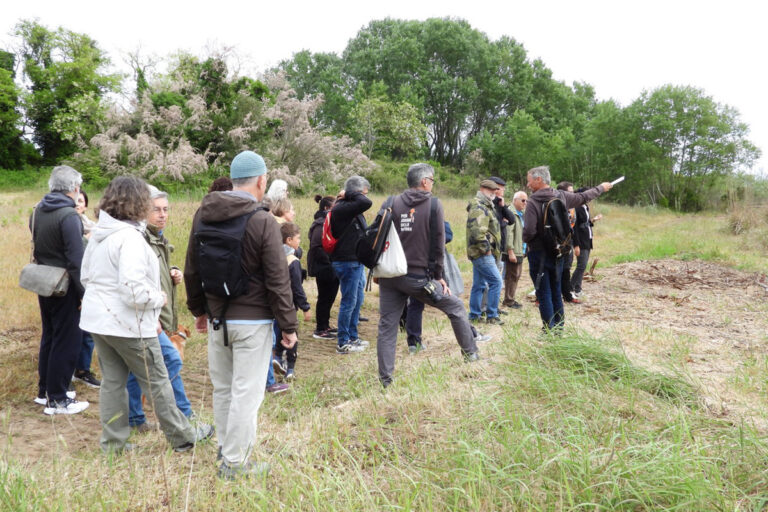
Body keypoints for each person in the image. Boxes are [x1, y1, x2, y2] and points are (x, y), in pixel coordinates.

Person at [184, 150, 298, 480]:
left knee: (223, 389)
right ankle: (235, 463)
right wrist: (288, 326)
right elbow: (278, 279)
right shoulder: (261, 220)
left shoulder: (202, 214)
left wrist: (199, 310)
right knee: (247, 394)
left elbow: (192, 269)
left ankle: (226, 448)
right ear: (261, 181)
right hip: (253, 322)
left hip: (218, 318)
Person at [80, 176, 213, 453]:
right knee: (158, 380)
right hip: (129, 325)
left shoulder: (101, 234)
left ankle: (113, 444)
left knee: (113, 384)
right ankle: (184, 437)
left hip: (99, 322)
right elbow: (133, 290)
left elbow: (86, 277)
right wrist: (158, 298)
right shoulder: (129, 238)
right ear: (138, 203)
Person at [376, 163, 480, 387]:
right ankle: (471, 354)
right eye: (432, 180)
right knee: (455, 308)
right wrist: (438, 276)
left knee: (387, 326)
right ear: (424, 181)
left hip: (389, 276)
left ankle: (385, 380)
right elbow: (438, 243)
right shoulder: (433, 204)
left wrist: (375, 269)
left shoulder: (390, 202)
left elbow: (376, 234)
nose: (432, 184)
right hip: (418, 278)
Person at [126, 185, 195, 433]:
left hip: (157, 315)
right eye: (156, 210)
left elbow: (155, 273)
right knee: (169, 361)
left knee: (140, 369)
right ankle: (181, 415)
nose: (163, 214)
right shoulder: (139, 239)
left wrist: (173, 271)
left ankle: (135, 418)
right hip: (146, 315)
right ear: (142, 210)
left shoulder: (159, 238)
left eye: (166, 209)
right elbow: (135, 279)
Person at [523, 166, 613, 332]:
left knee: (543, 293)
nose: (528, 185)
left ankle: (549, 330)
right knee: (556, 290)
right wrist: (601, 187)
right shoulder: (561, 196)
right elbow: (583, 197)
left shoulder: (533, 202)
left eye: (529, 180)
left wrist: (526, 243)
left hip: (539, 254)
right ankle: (559, 327)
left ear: (538, 179)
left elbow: (529, 231)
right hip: (559, 252)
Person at [30, 165, 89, 415]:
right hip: (65, 286)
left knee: (50, 336)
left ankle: (45, 391)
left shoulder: (38, 211)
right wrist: (84, 292)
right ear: (75, 189)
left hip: (44, 282)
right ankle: (58, 398)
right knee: (67, 340)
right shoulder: (69, 216)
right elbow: (77, 259)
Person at [328, 176, 372, 354]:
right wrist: (350, 193)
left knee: (357, 299)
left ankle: (352, 336)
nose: (364, 196)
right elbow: (365, 201)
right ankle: (343, 341)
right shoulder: (342, 208)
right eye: (363, 192)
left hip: (355, 260)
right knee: (349, 301)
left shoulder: (349, 207)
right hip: (347, 261)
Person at [272, 222, 312, 381]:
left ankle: (276, 358)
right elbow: (297, 288)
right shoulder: (292, 261)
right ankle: (290, 369)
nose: (299, 241)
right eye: (298, 238)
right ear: (289, 240)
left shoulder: (272, 256)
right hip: (288, 306)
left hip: (272, 305)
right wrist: (305, 307)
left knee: (277, 333)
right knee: (291, 334)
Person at [72, 188, 101, 388]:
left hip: (90, 284)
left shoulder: (94, 228)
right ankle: (71, 369)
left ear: (86, 205)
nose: (78, 204)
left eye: (81, 201)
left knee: (88, 330)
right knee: (73, 329)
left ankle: (82, 369)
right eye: (75, 200)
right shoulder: (69, 225)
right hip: (74, 284)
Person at [466, 179, 504, 325]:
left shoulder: (485, 205)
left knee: (479, 284)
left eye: (495, 191)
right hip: (482, 253)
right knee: (496, 282)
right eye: (491, 191)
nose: (494, 193)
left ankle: (474, 315)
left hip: (480, 252)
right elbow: (477, 232)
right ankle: (492, 315)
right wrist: (487, 250)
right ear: (483, 189)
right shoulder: (479, 206)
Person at [307, 195, 339, 340]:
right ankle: (320, 328)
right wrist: (330, 262)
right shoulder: (320, 223)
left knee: (329, 297)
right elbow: (316, 246)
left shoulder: (328, 221)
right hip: (323, 267)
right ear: (326, 208)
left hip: (329, 266)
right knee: (324, 298)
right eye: (334, 207)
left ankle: (325, 325)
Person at [571, 188, 603, 299]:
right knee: (581, 266)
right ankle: (571, 288)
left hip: (587, 239)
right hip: (581, 241)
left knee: (582, 266)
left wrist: (593, 219)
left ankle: (577, 288)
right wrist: (576, 245)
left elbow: (585, 223)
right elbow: (574, 227)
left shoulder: (585, 207)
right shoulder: (577, 208)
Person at [501, 191, 527, 309]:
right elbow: (509, 234)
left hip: (519, 249)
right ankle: (509, 300)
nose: (525, 203)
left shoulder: (520, 213)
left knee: (516, 275)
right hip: (513, 250)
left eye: (526, 201)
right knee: (512, 275)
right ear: (515, 200)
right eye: (523, 200)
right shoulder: (511, 213)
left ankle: (510, 298)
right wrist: (510, 251)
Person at [555, 182, 578, 304]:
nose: (573, 194)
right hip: (558, 242)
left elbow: (575, 227)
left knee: (566, 269)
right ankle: (544, 295)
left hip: (569, 241)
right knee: (555, 270)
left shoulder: (573, 207)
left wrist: (575, 244)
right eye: (570, 191)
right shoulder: (556, 205)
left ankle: (567, 295)